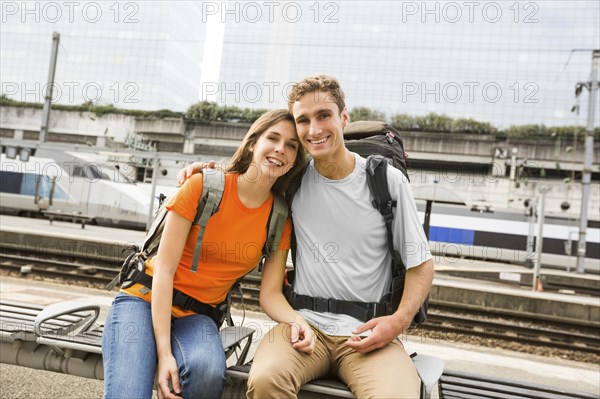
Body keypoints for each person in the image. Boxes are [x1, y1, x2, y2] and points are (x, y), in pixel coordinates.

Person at [178, 75, 434, 398]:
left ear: (343, 118)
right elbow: (243, 181)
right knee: (266, 380)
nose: (314, 130)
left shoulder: (386, 181)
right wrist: (203, 172)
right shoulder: (292, 180)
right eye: (303, 120)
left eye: (323, 116)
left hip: (369, 334)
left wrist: (396, 323)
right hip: (302, 326)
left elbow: (421, 265)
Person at [102, 109, 307, 399]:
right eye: (272, 138)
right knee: (128, 393)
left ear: (295, 160)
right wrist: (165, 355)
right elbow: (164, 271)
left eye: (291, 146)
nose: (280, 150)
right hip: (144, 299)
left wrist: (299, 323)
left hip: (198, 316)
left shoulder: (279, 217)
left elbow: (270, 295)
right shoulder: (202, 186)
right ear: (252, 144)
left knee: (207, 373)